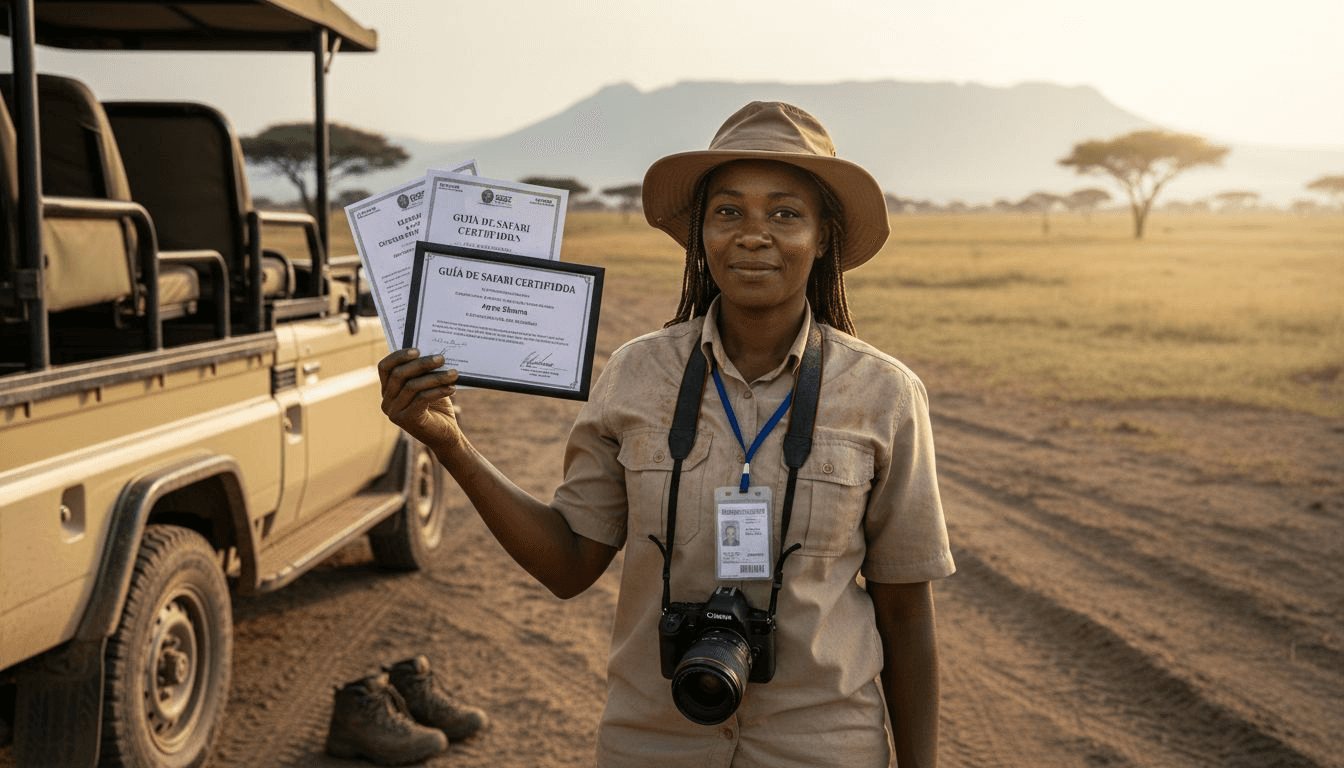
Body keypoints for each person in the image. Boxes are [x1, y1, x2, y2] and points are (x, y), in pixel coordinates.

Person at [379, 101, 955, 768]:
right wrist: (451, 443)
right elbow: (568, 565)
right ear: (700, 235)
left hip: (821, 745)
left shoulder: (882, 394)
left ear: (822, 236)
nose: (754, 234)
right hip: (652, 743)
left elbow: (907, 616)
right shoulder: (636, 374)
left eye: (785, 213)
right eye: (728, 211)